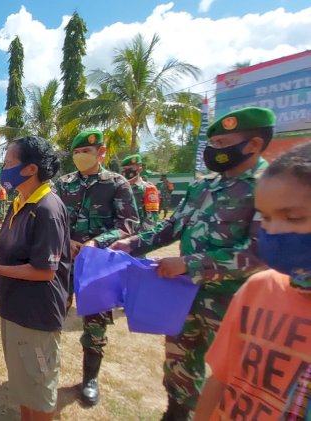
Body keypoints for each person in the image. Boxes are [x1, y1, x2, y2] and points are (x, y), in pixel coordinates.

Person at [111, 107, 274, 419]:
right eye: (211, 142)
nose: (213, 150)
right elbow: (171, 227)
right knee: (179, 363)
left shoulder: (268, 186)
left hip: (234, 300)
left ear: (253, 144)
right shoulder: (203, 185)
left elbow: (258, 251)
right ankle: (176, 412)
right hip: (184, 294)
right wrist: (133, 242)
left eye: (223, 142)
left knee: (234, 377)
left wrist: (189, 263)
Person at [193, 143, 311, 421]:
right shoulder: (259, 289)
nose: (273, 232)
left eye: (293, 217)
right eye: (266, 218)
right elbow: (219, 379)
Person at [0, 136, 71, 421]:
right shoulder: (20, 202)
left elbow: (45, 271)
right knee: (25, 387)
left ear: (30, 169)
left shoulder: (47, 209)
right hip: (15, 311)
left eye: (8, 163)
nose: (3, 170)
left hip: (36, 317)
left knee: (39, 392)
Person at [55, 129, 139, 406]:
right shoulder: (63, 183)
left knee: (96, 324)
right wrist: (65, 240)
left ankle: (89, 379)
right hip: (64, 262)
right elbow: (52, 218)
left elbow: (128, 224)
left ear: (100, 153)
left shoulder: (117, 184)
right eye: (77, 153)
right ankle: (47, 371)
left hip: (99, 264)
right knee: (52, 316)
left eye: (86, 152)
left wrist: (95, 242)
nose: (80, 157)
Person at [120, 154, 160, 232]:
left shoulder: (148, 189)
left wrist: (136, 238)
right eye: (124, 169)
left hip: (137, 237)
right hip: (121, 234)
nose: (125, 172)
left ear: (139, 170)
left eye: (129, 169)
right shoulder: (120, 188)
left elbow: (152, 219)